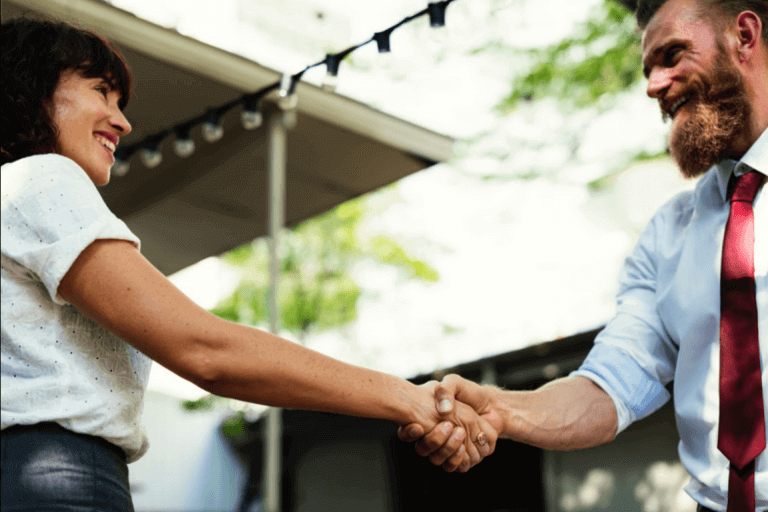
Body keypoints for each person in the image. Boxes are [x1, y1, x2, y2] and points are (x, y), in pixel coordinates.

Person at [0, 18, 499, 511]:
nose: (123, 121)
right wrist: (407, 398)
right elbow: (203, 349)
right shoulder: (41, 179)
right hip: (54, 482)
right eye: (101, 90)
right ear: (31, 88)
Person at [402, 0, 768, 510]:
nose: (654, 84)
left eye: (673, 55)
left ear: (745, 35)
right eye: (649, 68)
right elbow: (611, 385)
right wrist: (502, 409)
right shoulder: (667, 235)